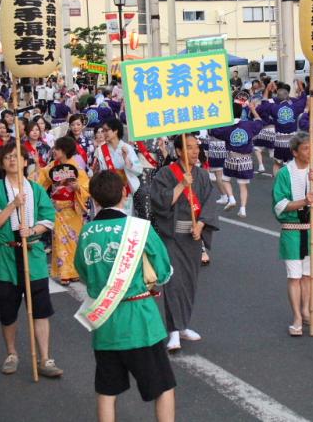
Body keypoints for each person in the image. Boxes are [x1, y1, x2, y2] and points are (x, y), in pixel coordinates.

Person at [75, 170, 176, 422]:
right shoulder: (139, 228)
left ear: (95, 199)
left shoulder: (86, 232)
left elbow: (82, 271)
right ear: (124, 192)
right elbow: (163, 271)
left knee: (107, 390)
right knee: (162, 388)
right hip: (140, 320)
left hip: (105, 322)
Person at [0, 143, 61, 377]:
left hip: (32, 254)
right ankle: (12, 353)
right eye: (8, 157)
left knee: (41, 310)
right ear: (2, 162)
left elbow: (49, 219)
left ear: (26, 162)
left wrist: (34, 230)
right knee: (8, 311)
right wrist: (13, 205)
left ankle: (45, 358)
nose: (13, 160)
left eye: (18, 157)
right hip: (6, 256)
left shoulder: (36, 190)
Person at [150, 135, 218, 352]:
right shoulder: (165, 174)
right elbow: (159, 202)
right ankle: (173, 332)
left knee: (189, 282)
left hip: (193, 235)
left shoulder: (203, 175)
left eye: (196, 147)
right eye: (188, 148)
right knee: (174, 283)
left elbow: (209, 202)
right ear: (178, 151)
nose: (194, 151)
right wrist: (181, 185)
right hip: (172, 236)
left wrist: (202, 224)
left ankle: (183, 325)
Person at [271, 132, 313, 337]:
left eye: (312, 148)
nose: (310, 152)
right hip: (292, 232)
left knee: (309, 276)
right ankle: (297, 316)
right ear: (295, 152)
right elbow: (280, 205)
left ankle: (307, 311)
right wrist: (303, 203)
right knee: (294, 276)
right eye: (306, 148)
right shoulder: (284, 173)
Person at [38, 137, 89, 285]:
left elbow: (86, 186)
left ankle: (75, 271)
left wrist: (77, 188)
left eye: (57, 149)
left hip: (72, 208)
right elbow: (40, 180)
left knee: (75, 241)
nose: (54, 151)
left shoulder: (76, 168)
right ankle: (64, 273)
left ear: (65, 151)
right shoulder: (52, 167)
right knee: (60, 241)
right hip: (58, 209)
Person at [209, 101, 263, 217]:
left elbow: (214, 131)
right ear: (242, 112)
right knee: (243, 186)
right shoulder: (249, 125)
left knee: (225, 179)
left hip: (231, 159)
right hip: (246, 160)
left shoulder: (227, 128)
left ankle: (231, 198)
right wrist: (253, 109)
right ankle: (243, 209)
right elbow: (259, 122)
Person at [96, 119, 142, 214]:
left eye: (106, 130)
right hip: (108, 190)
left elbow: (139, 170)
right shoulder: (100, 150)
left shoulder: (127, 148)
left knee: (126, 217)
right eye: (102, 131)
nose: (103, 133)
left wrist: (127, 161)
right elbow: (98, 171)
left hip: (124, 189)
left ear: (115, 130)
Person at [265, 80, 307, 173]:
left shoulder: (274, 107)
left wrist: (268, 90)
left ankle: (277, 185)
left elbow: (264, 102)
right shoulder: (295, 106)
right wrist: (301, 87)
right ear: (288, 96)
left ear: (277, 97)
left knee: (277, 164)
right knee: (292, 165)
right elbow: (304, 99)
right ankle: (290, 184)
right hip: (292, 141)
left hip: (279, 141)